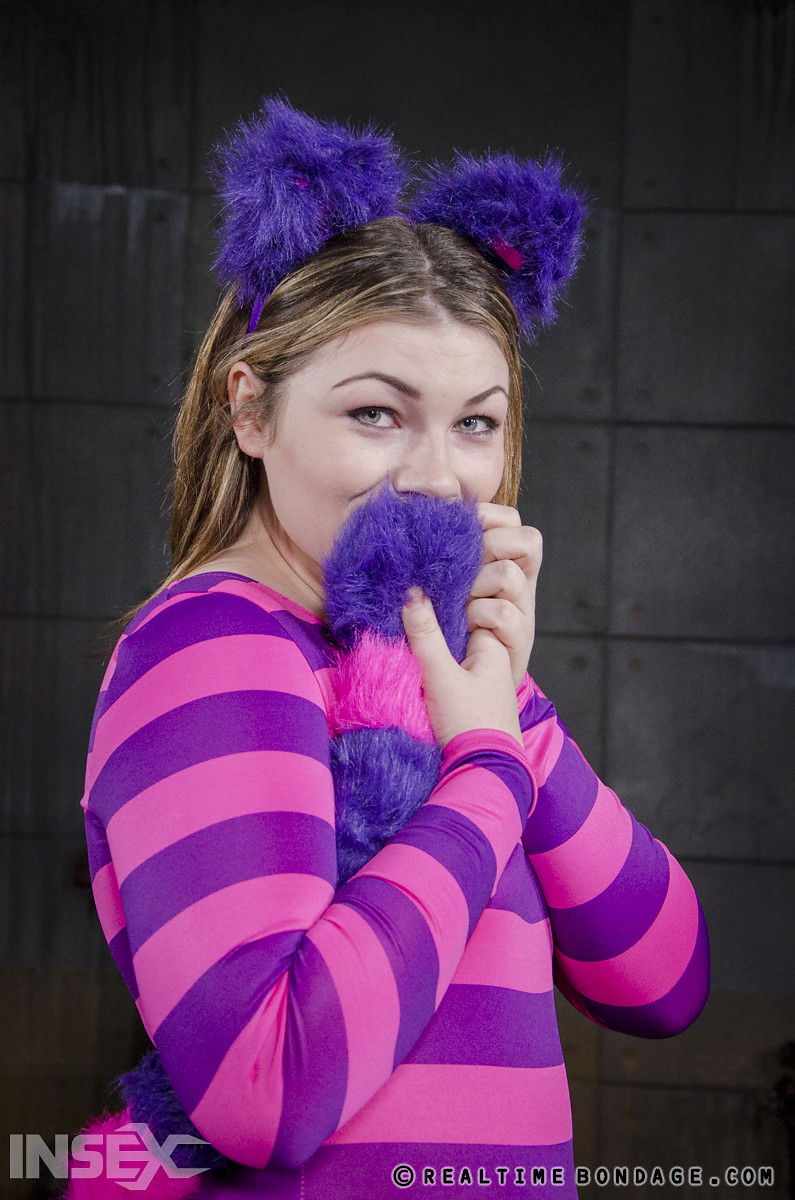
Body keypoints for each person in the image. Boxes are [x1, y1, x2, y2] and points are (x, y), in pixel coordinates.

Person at [77, 99, 709, 1199]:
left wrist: (507, 714)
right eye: (376, 413)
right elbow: (267, 1088)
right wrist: (487, 770)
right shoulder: (211, 645)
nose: (436, 478)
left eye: (476, 423)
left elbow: (663, 985)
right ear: (250, 412)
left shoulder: (460, 684)